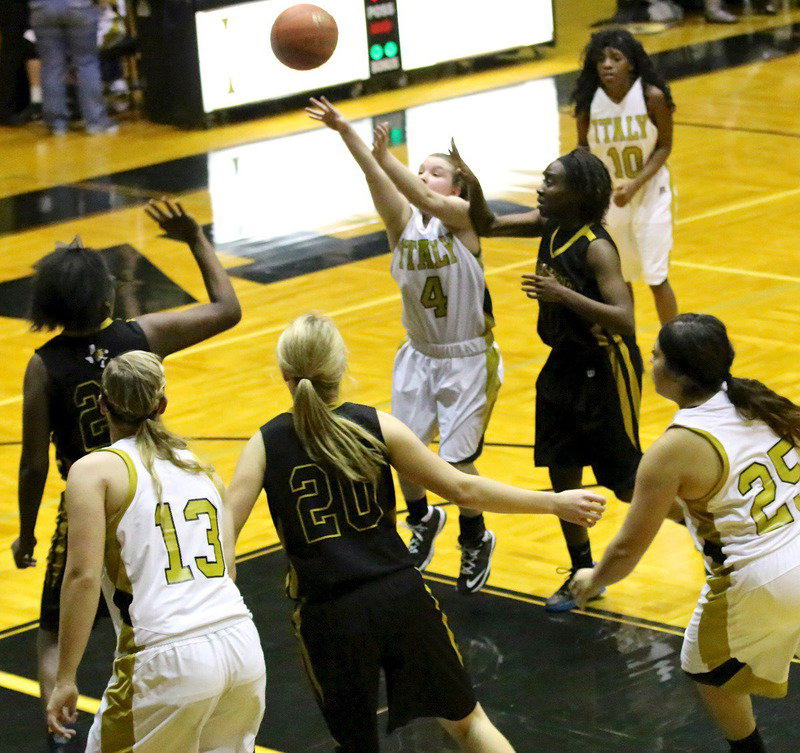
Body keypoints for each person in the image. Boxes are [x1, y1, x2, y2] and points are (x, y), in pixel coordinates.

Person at [227, 312, 605, 753]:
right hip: (399, 596)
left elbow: (222, 539)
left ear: (283, 375)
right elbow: (465, 487)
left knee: (355, 745)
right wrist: (554, 502)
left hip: (329, 616)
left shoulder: (265, 443)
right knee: (469, 725)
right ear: (341, 367)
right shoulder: (377, 425)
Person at [13, 199, 241, 752]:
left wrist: (27, 531)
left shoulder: (44, 364)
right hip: (151, 493)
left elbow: (34, 462)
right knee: (151, 608)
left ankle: (61, 731)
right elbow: (227, 308)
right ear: (105, 295)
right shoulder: (139, 336)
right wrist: (195, 239)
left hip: (90, 503)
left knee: (53, 629)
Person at [571, 313, 800, 753]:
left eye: (655, 354)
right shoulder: (757, 400)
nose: (650, 360)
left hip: (761, 579)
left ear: (674, 373)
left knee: (705, 667)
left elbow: (625, 550)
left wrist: (592, 578)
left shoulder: (673, 448)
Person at [307, 96, 503, 594]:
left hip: (467, 358)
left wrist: (389, 157)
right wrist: (347, 131)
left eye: (434, 171)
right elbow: (377, 181)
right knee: (401, 454)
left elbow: (430, 200)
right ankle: (421, 520)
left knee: (456, 463)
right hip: (418, 354)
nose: (424, 176)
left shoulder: (462, 216)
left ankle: (475, 536)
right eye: (420, 169)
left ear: (457, 185)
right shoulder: (403, 227)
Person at [452, 147, 643, 611]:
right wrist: (472, 183)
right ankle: (582, 572)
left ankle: (713, 538)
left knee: (625, 483)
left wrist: (563, 294)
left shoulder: (596, 246)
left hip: (606, 365)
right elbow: (487, 225)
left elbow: (625, 319)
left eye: (551, 181)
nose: (541, 187)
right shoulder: (549, 225)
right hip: (564, 364)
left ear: (577, 193)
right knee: (562, 473)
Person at [46, 351, 266, 753]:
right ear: (161, 405)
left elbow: (82, 577)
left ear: (102, 405)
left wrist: (64, 678)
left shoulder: (94, 471)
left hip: (168, 656)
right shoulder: (201, 467)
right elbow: (228, 571)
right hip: (242, 644)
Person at [572, 28, 679, 326]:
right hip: (611, 200)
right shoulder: (589, 103)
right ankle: (626, 344)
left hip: (650, 194)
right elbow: (582, 145)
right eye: (601, 59)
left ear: (630, 63)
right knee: (620, 277)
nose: (606, 64)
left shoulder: (651, 97)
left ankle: (675, 345)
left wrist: (635, 184)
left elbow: (664, 146)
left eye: (615, 58)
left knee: (656, 277)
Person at [28, 0, 116, 134]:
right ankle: (95, 121)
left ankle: (56, 124)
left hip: (42, 7)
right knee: (86, 64)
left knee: (51, 65)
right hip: (78, 6)